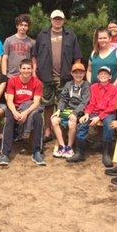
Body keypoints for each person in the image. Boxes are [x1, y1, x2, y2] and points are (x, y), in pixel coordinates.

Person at [32, 9, 82, 142]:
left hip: (65, 77)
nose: (57, 21)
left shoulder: (70, 35)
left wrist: (75, 74)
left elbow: (77, 58)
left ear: (64, 20)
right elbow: (35, 56)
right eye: (55, 19)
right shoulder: (42, 35)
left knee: (65, 105)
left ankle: (63, 131)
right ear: (51, 20)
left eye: (60, 19)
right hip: (45, 76)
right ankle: (48, 131)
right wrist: (34, 71)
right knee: (47, 105)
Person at [67, 66, 117, 167]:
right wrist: (86, 114)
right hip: (94, 112)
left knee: (109, 125)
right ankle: (80, 153)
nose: (103, 75)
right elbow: (91, 103)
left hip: (108, 113)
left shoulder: (114, 89)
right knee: (83, 123)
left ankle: (106, 154)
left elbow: (112, 107)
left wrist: (99, 117)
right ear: (98, 76)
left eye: (106, 74)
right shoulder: (94, 87)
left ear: (110, 77)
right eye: (101, 74)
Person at [0, 59, 45, 166]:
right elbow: (9, 100)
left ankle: (37, 151)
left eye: (29, 68)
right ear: (19, 69)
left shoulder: (37, 83)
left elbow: (36, 102)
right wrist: (15, 112)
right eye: (24, 68)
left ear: (32, 69)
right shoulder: (13, 81)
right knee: (9, 119)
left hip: (30, 108)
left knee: (38, 118)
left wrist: (25, 113)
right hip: (15, 107)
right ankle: (5, 154)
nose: (26, 70)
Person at [51, 62, 90, 158]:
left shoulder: (86, 85)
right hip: (68, 110)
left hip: (80, 111)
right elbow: (64, 98)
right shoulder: (68, 84)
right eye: (75, 73)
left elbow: (85, 102)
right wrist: (59, 110)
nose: (78, 75)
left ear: (84, 74)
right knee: (54, 120)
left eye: (80, 73)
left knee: (72, 121)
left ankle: (69, 147)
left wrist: (75, 113)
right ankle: (62, 146)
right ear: (72, 74)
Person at [2, 14, 35, 78]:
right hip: (11, 76)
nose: (23, 27)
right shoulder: (8, 40)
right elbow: (4, 58)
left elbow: (33, 59)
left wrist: (33, 73)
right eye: (21, 25)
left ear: (28, 27)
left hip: (26, 76)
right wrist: (4, 75)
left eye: (25, 25)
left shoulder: (32, 42)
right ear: (17, 26)